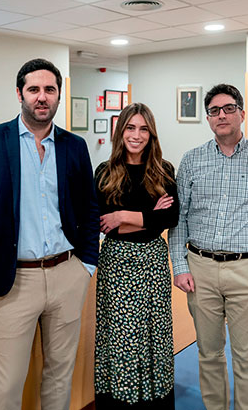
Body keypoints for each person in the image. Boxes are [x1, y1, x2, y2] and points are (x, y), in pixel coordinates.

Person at [0, 58, 99, 410]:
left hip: (67, 274)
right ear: (20, 94)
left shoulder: (74, 146)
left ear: (58, 95)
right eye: (34, 89)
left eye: (49, 89)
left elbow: (89, 209)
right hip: (13, 280)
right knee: (7, 386)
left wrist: (86, 265)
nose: (42, 97)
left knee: (60, 377)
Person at [169, 84, 248, 410]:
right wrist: (180, 266)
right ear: (208, 118)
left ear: (242, 114)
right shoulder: (191, 161)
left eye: (229, 108)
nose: (221, 115)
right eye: (214, 111)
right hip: (200, 270)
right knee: (208, 353)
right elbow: (179, 218)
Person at [94, 102, 179, 409]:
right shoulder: (105, 172)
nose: (137, 135)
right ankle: (121, 400)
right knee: (122, 338)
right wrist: (147, 216)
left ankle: (154, 400)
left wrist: (123, 215)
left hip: (153, 263)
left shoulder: (164, 170)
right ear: (120, 131)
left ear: (151, 134)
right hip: (117, 264)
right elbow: (104, 224)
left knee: (155, 333)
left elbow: (170, 219)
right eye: (130, 128)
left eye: (144, 129)